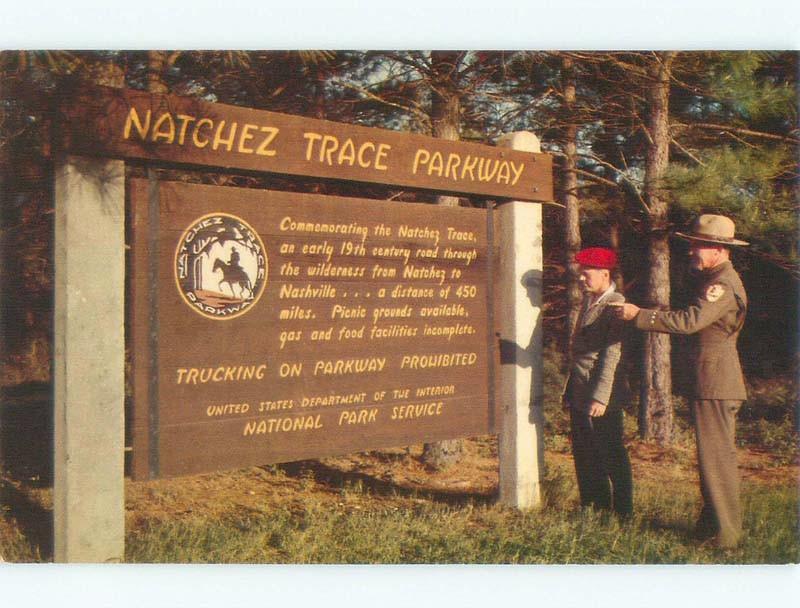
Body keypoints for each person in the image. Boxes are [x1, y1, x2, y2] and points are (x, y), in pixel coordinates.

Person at [616, 214, 748, 548]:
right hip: (711, 380)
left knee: (716, 461)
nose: (692, 251)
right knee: (711, 460)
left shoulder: (722, 285)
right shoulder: (713, 280)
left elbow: (689, 321)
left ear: (718, 249)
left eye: (698, 246)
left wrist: (640, 316)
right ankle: (711, 528)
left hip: (715, 382)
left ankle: (726, 537)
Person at [563, 247, 633, 518]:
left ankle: (624, 513)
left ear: (605, 274)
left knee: (611, 453)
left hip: (603, 394)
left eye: (586, 273)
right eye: (581, 273)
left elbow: (610, 355)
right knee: (586, 453)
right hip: (581, 390)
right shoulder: (591, 301)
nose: (581, 278)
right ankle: (594, 508)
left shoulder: (614, 303)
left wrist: (601, 397)